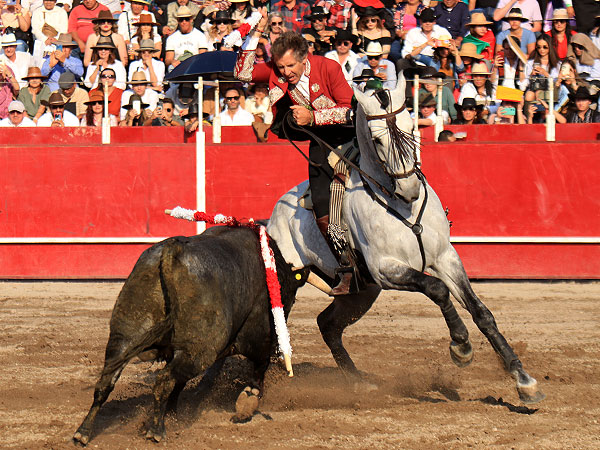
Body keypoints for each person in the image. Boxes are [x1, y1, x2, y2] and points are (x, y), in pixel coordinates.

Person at [234, 18, 356, 295]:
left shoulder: (328, 67)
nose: (285, 72)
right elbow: (242, 74)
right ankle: (346, 268)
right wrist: (256, 34)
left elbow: (348, 110)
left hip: (348, 135)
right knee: (322, 203)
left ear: (305, 59)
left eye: (291, 66)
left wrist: (314, 116)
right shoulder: (276, 72)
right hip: (319, 142)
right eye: (280, 67)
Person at [164, 6, 208, 70]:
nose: (184, 22)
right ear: (178, 21)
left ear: (191, 19)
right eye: (181, 19)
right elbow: (168, 59)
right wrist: (172, 61)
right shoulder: (171, 38)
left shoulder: (200, 36)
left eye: (186, 19)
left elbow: (202, 56)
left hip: (195, 64)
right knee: (171, 68)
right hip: (178, 65)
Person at [30, 0, 68, 66]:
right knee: (39, 63)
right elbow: (35, 29)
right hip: (41, 41)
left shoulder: (62, 12)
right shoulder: (37, 12)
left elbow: (64, 29)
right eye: (46, 0)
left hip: (58, 41)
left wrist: (56, 39)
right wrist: (45, 39)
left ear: (55, 1)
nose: (48, 3)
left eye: (51, 1)